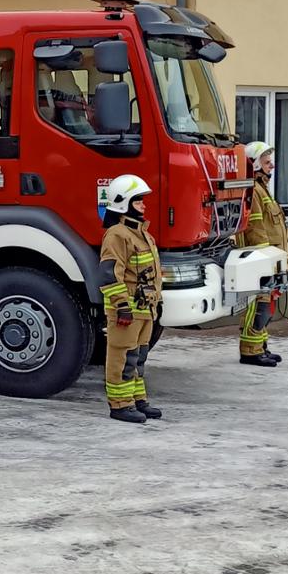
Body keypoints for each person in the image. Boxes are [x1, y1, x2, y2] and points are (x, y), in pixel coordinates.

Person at [96, 174, 162, 423]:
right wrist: (122, 306)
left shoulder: (142, 234)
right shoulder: (117, 235)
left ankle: (137, 400)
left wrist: (157, 302)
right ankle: (120, 405)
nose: (143, 205)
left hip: (145, 310)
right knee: (122, 357)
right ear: (123, 203)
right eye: (138, 201)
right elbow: (110, 274)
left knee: (138, 357)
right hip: (127, 311)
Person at [236, 141, 287, 367]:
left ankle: (261, 346)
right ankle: (250, 351)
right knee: (259, 304)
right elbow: (255, 229)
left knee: (268, 304)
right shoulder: (255, 191)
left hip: (271, 258)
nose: (272, 166)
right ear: (255, 165)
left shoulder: (262, 188)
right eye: (267, 162)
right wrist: (265, 261)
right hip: (263, 259)